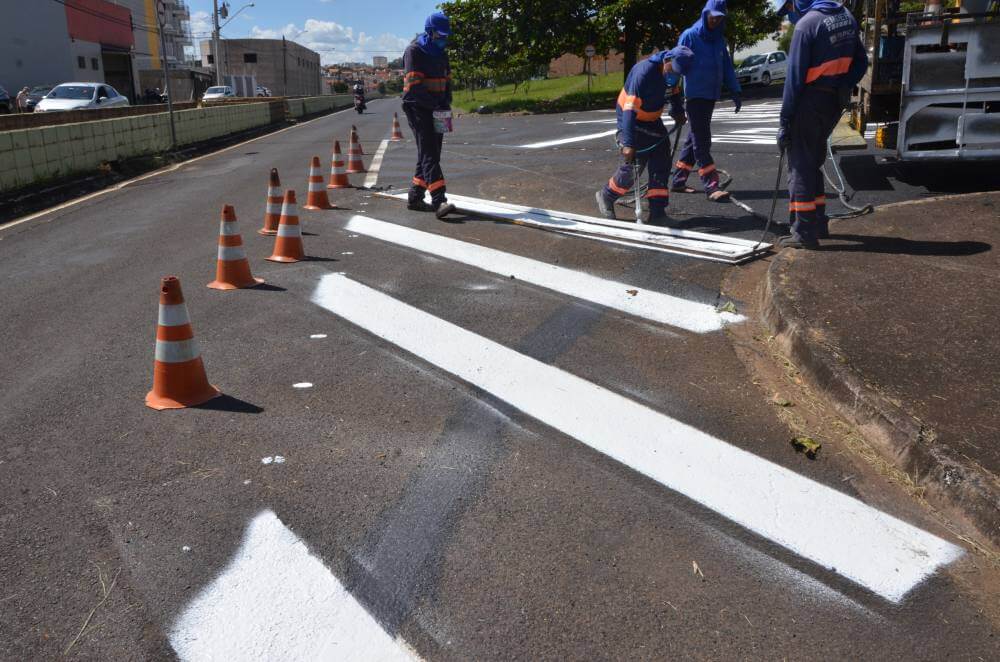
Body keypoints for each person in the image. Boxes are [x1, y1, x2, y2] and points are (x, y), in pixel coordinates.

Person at [777, 0, 867, 249]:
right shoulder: (846, 17)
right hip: (832, 102)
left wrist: (785, 120)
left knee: (799, 166)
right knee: (813, 161)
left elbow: (794, 80)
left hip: (809, 101)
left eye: (788, 10)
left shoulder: (807, 26)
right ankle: (818, 223)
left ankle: (804, 233)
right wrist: (844, 84)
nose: (789, 16)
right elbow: (861, 62)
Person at [595, 46, 694, 225]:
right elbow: (629, 110)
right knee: (633, 168)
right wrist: (628, 143)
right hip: (631, 118)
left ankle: (657, 212)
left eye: (679, 73)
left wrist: (678, 111)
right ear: (667, 60)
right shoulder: (644, 73)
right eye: (673, 70)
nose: (675, 76)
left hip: (652, 119)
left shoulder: (674, 73)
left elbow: (673, 93)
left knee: (661, 164)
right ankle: (606, 196)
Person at [671, 0, 742, 202]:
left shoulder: (719, 40)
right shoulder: (690, 35)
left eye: (719, 17)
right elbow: (676, 65)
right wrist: (674, 100)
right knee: (702, 140)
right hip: (694, 96)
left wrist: (735, 90)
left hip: (711, 96)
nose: (715, 20)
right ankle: (712, 186)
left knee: (694, 139)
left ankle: (678, 181)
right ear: (705, 14)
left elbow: (727, 66)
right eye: (712, 16)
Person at [402, 11, 456, 219]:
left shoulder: (441, 53)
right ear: (430, 32)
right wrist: (434, 106)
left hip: (438, 108)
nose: (443, 39)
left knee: (431, 153)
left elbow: (447, 81)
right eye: (440, 35)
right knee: (429, 153)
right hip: (418, 107)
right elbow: (414, 87)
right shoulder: (414, 51)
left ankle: (415, 197)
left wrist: (446, 104)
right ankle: (439, 200)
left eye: (446, 36)